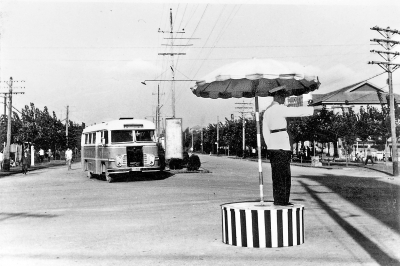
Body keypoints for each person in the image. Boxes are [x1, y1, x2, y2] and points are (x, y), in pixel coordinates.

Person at [263, 91, 323, 206]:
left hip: (273, 147)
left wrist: (270, 145)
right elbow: (297, 111)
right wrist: (314, 109)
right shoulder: (280, 108)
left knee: (276, 177)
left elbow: (265, 132)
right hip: (282, 147)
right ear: (279, 97)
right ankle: (283, 202)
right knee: (285, 176)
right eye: (284, 97)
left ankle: (278, 200)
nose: (285, 100)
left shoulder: (267, 112)